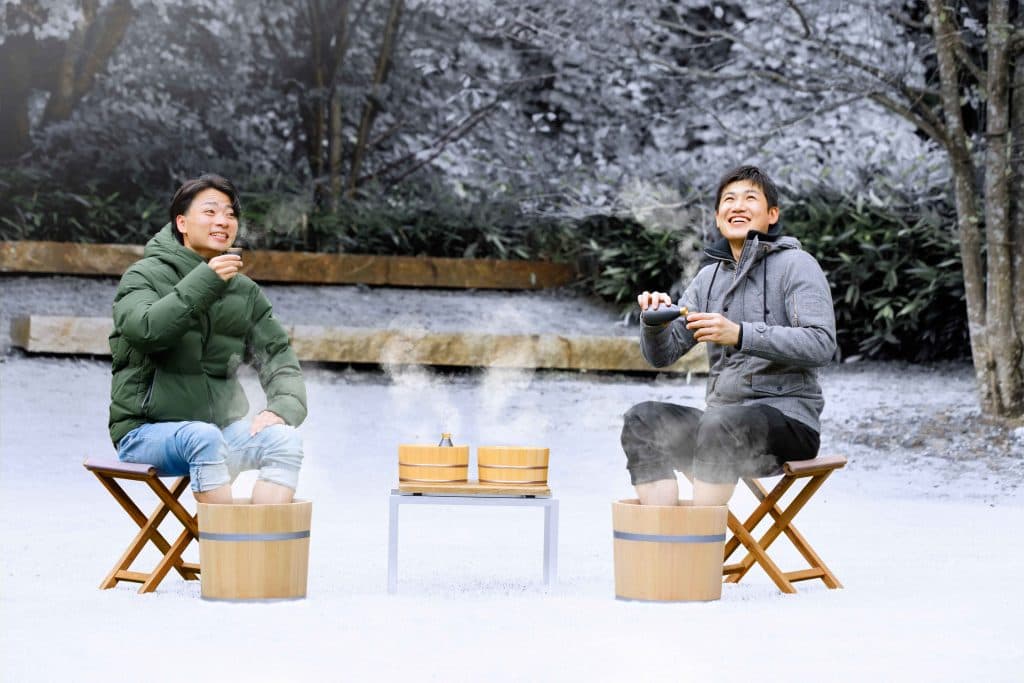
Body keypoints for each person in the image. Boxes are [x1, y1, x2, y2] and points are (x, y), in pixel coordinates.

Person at [621, 165, 836, 506]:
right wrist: (653, 323)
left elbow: (821, 344)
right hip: (719, 428)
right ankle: (662, 537)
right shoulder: (708, 279)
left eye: (750, 198)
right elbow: (662, 355)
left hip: (789, 424)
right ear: (718, 218)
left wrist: (740, 334)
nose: (738, 205)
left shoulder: (797, 264)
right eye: (729, 200)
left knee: (722, 423)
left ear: (772, 215)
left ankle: (699, 545)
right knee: (643, 419)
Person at [107, 174, 307, 504]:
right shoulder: (143, 275)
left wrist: (282, 409)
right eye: (211, 211)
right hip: (145, 432)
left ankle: (260, 547)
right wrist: (206, 280)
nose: (223, 221)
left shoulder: (243, 291)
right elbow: (146, 331)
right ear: (182, 222)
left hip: (219, 430)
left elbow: (279, 357)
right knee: (204, 437)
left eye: (230, 214)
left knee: (283, 440)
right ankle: (223, 551)